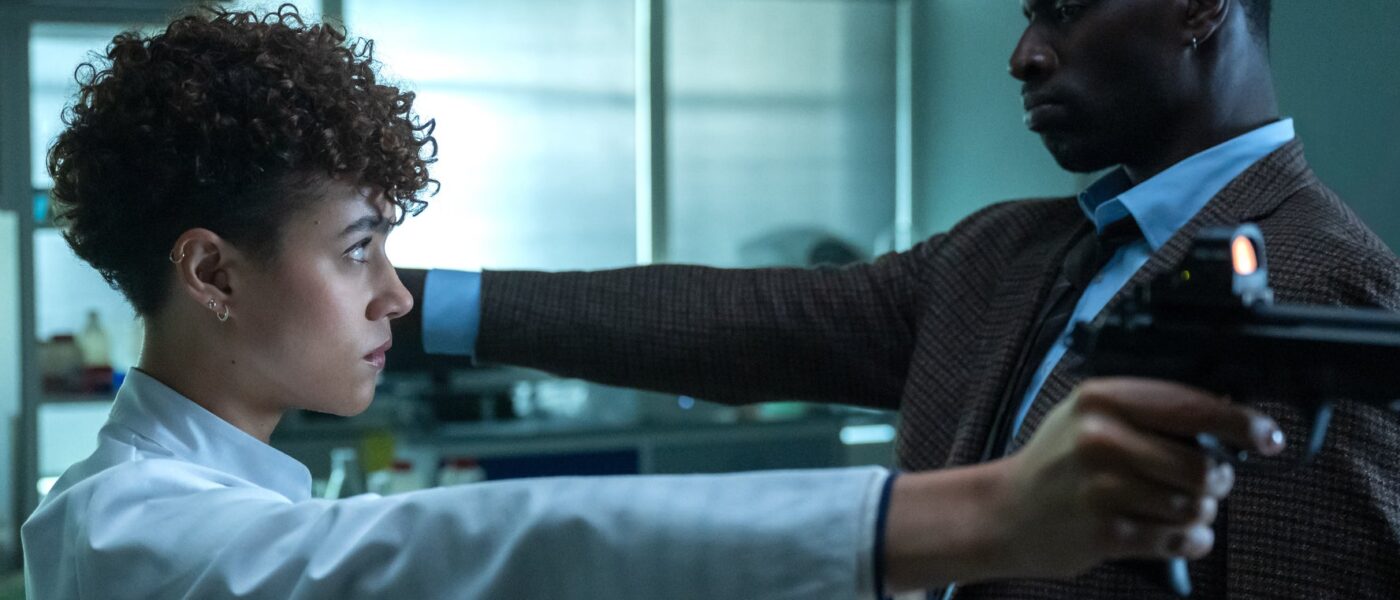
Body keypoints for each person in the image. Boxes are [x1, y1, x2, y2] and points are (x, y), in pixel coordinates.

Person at [17, 5, 1285, 600]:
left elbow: (751, 323)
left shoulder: (218, 492)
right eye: (359, 250)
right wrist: (975, 517)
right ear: (210, 273)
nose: (395, 292)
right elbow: (469, 549)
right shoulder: (121, 532)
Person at [397, 0, 1400, 597]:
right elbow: (745, 323)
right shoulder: (1007, 252)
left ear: (1196, 7)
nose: (1024, 53)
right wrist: (409, 307)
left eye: (1063, 7)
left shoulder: (1329, 284)